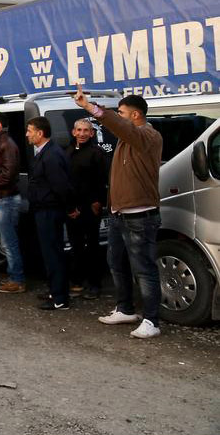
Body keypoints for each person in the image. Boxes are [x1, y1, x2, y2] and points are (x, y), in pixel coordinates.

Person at [74, 85, 164, 338]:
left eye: (122, 112)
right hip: (118, 213)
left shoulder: (148, 136)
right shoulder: (127, 140)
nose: (119, 116)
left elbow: (121, 126)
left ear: (135, 115)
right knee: (116, 262)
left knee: (144, 269)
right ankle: (125, 309)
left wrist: (91, 107)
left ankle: (152, 321)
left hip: (140, 215)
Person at [25, 116, 74, 311]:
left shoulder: (51, 155)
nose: (27, 134)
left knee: (53, 254)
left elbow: (60, 185)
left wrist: (70, 208)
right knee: (50, 253)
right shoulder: (45, 152)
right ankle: (55, 291)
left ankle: (60, 299)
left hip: (50, 211)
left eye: (30, 130)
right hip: (44, 210)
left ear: (40, 133)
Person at [65, 118, 108, 300]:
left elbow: (101, 181)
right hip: (71, 209)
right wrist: (70, 207)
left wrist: (97, 202)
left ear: (92, 133)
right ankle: (76, 282)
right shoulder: (66, 152)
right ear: (74, 132)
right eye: (79, 130)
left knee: (92, 247)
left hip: (90, 208)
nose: (82, 134)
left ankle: (95, 285)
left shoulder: (96, 153)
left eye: (86, 131)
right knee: (75, 247)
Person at [0, 113, 26, 294]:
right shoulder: (1, 143)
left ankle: (17, 280)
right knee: (7, 240)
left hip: (6, 199)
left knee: (9, 242)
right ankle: (13, 275)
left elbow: (8, 173)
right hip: (4, 198)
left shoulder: (6, 145)